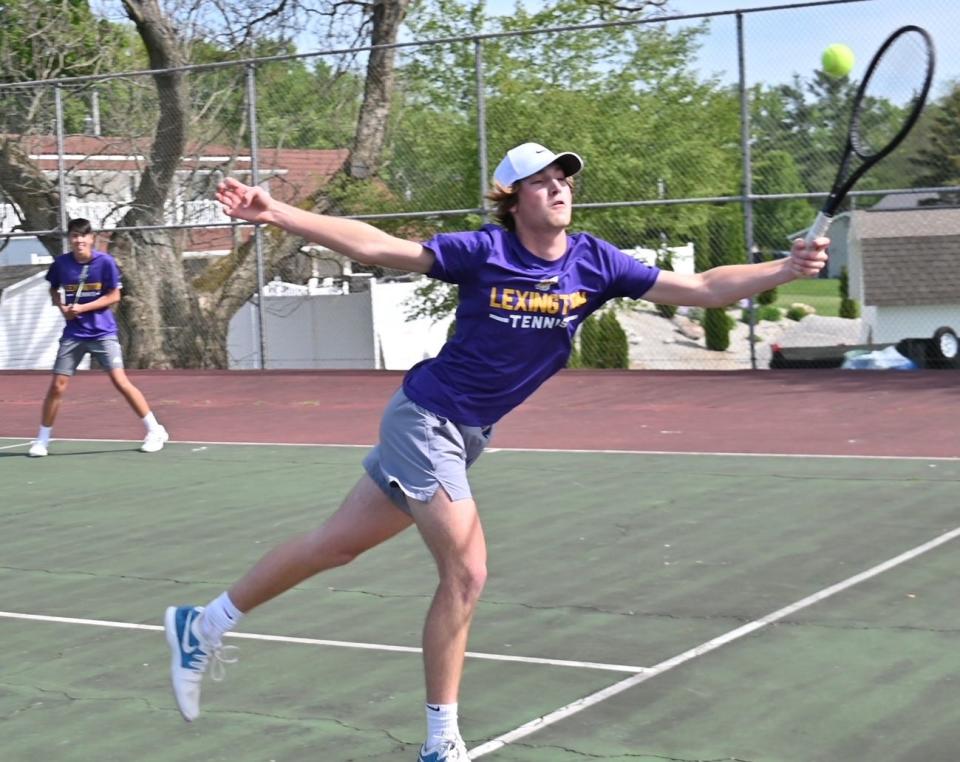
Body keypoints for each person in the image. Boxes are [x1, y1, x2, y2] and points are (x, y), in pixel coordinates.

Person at [163, 142, 828, 761]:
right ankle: (440, 742)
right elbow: (382, 248)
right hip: (425, 420)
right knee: (468, 573)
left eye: (563, 178)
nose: (558, 187)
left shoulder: (593, 262)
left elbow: (706, 286)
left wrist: (784, 267)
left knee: (335, 545)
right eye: (541, 181)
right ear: (512, 199)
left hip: (468, 434)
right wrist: (276, 210)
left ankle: (204, 622)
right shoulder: (484, 251)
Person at [28, 218, 169, 457]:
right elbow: (53, 287)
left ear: (92, 238)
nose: (79, 240)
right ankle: (42, 439)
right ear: (70, 239)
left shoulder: (105, 263)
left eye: (83, 235)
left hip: (103, 333)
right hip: (73, 334)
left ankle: (155, 430)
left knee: (120, 381)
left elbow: (114, 296)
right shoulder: (62, 264)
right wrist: (61, 306)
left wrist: (82, 309)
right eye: (74, 235)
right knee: (57, 386)